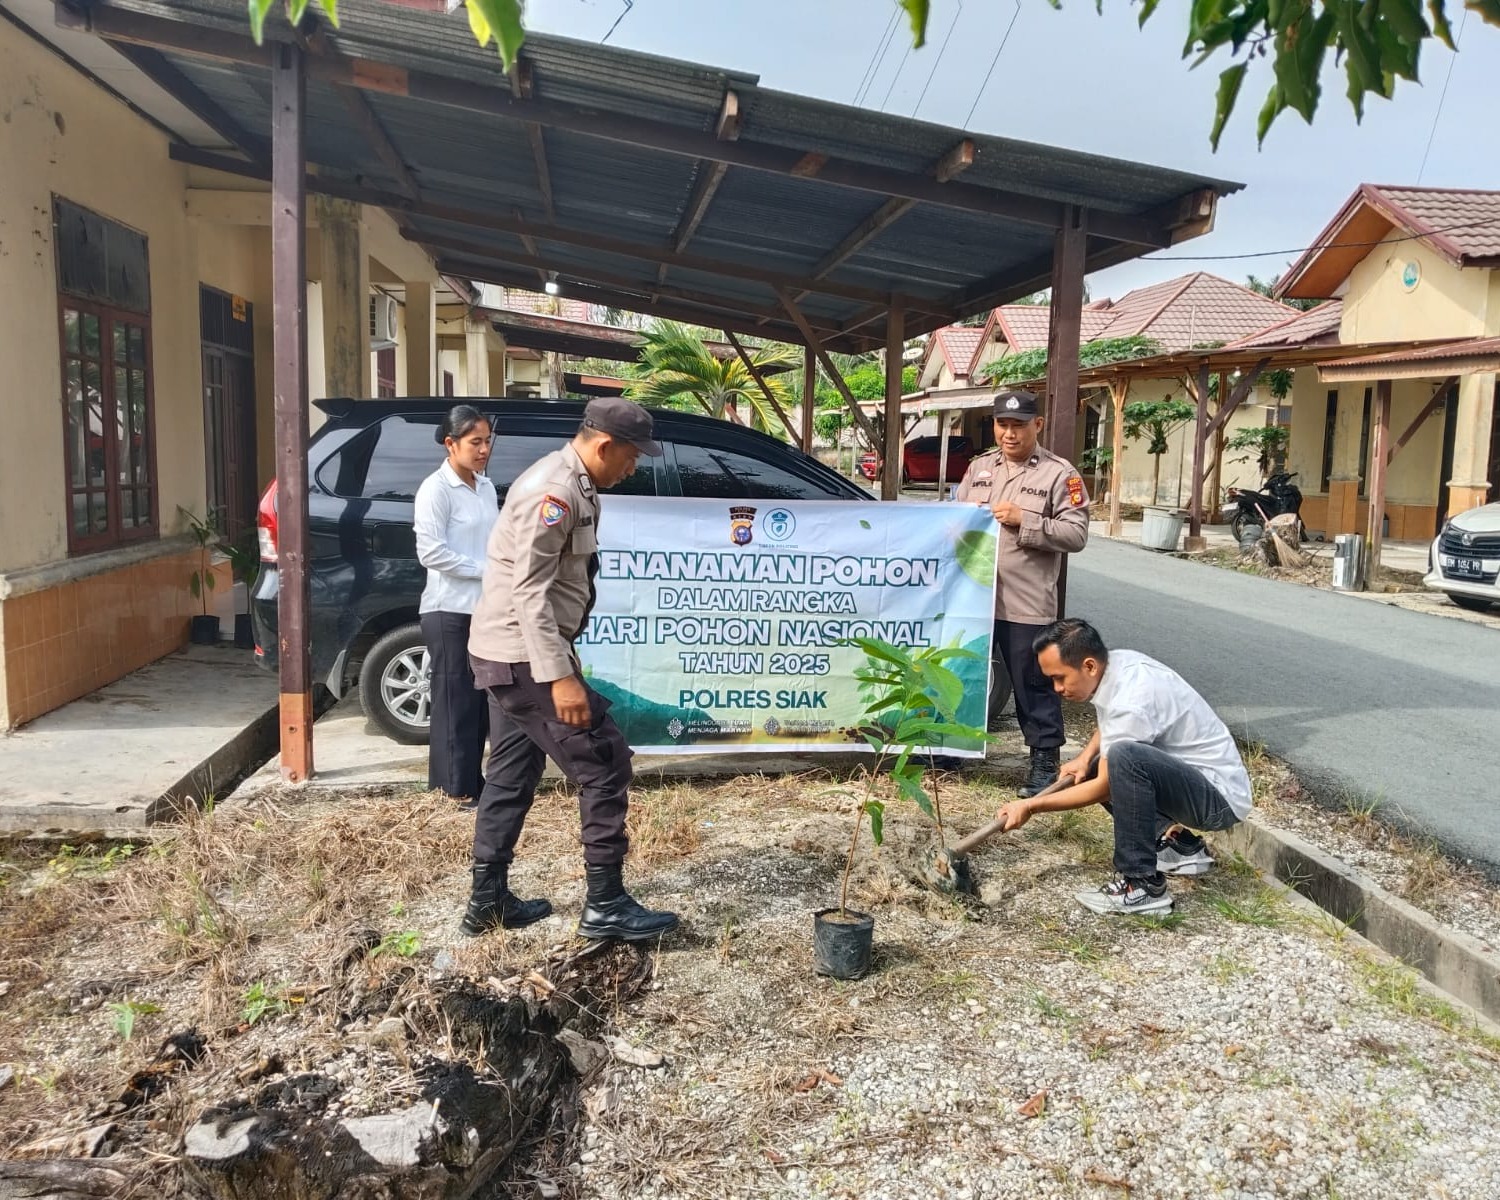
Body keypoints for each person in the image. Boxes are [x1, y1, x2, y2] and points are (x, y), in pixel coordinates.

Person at [461, 396, 679, 942]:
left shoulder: (575, 481)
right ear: (605, 445)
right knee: (604, 763)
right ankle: (605, 904)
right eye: (631, 458)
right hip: (523, 658)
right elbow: (528, 591)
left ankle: (487, 901)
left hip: (507, 654)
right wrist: (559, 676)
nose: (633, 468)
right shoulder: (555, 492)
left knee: (512, 773)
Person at [992, 618, 1252, 916]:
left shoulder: (1133, 697)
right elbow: (1112, 724)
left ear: (1089, 665)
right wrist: (1082, 758)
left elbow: (1106, 785)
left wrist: (1031, 806)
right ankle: (1178, 845)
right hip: (1198, 785)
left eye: (1060, 678)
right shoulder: (1118, 665)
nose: (1057, 688)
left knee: (1124, 760)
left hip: (1217, 801)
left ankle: (1142, 886)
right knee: (1099, 763)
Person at [954, 390, 1089, 797]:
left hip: (1026, 601)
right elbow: (956, 519)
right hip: (974, 596)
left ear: (1038, 425)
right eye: (1002, 425)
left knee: (1033, 682)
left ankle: (1044, 762)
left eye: (1019, 425)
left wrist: (1024, 519)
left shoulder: (1059, 474)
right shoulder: (978, 469)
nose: (1009, 434)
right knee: (964, 672)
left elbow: (1076, 534)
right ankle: (948, 752)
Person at [414, 405, 498, 808]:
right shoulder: (435, 489)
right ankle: (452, 790)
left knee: (479, 702)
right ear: (450, 444)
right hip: (448, 611)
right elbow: (431, 552)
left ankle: (472, 783)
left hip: (483, 610)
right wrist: (484, 571)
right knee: (453, 703)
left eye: (487, 441)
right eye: (474, 442)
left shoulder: (486, 487)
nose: (483, 450)